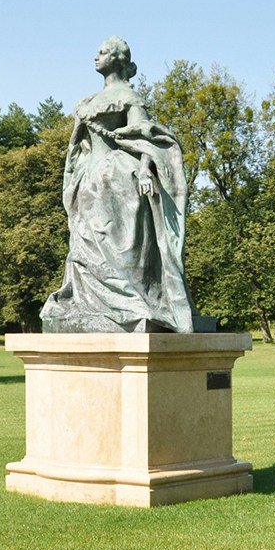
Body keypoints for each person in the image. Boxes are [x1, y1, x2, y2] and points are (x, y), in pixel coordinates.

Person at [40, 36, 195, 333]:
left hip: (119, 179)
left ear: (118, 59)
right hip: (89, 180)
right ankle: (91, 305)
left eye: (102, 52)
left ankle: (135, 305)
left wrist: (147, 171)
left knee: (124, 249)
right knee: (85, 242)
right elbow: (81, 148)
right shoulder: (86, 102)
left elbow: (144, 138)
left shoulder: (130, 97)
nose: (95, 56)